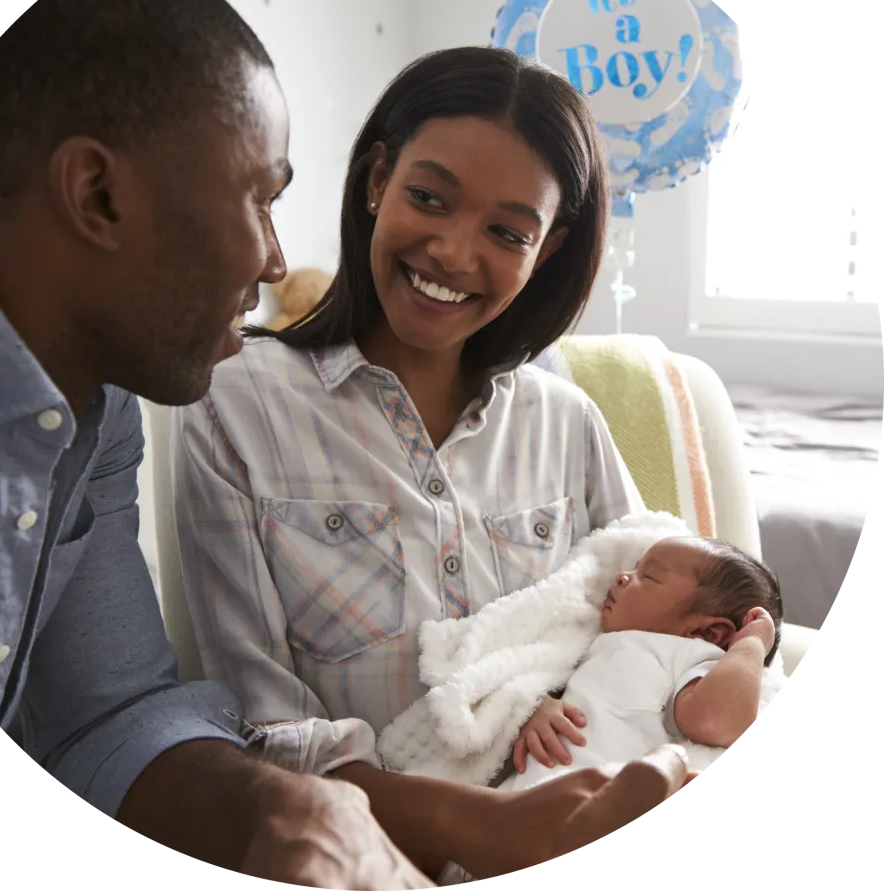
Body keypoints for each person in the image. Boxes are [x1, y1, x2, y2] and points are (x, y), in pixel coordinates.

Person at [0, 0, 434, 891]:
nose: (270, 263)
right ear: (97, 194)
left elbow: (109, 712)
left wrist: (280, 808)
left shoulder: (96, 397)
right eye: (260, 197)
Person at [171, 44, 695, 884]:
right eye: (428, 198)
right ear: (376, 180)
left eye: (506, 232)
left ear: (548, 248)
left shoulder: (566, 423)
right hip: (363, 861)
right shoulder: (238, 405)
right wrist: (475, 825)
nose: (454, 253)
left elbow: (675, 618)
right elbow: (265, 724)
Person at [506, 536, 783, 786]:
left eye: (647, 576)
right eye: (634, 567)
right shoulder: (590, 640)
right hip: (531, 794)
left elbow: (717, 722)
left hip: (603, 800)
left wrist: (751, 644)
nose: (622, 576)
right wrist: (540, 706)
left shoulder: (693, 658)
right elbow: (542, 677)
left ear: (706, 632)